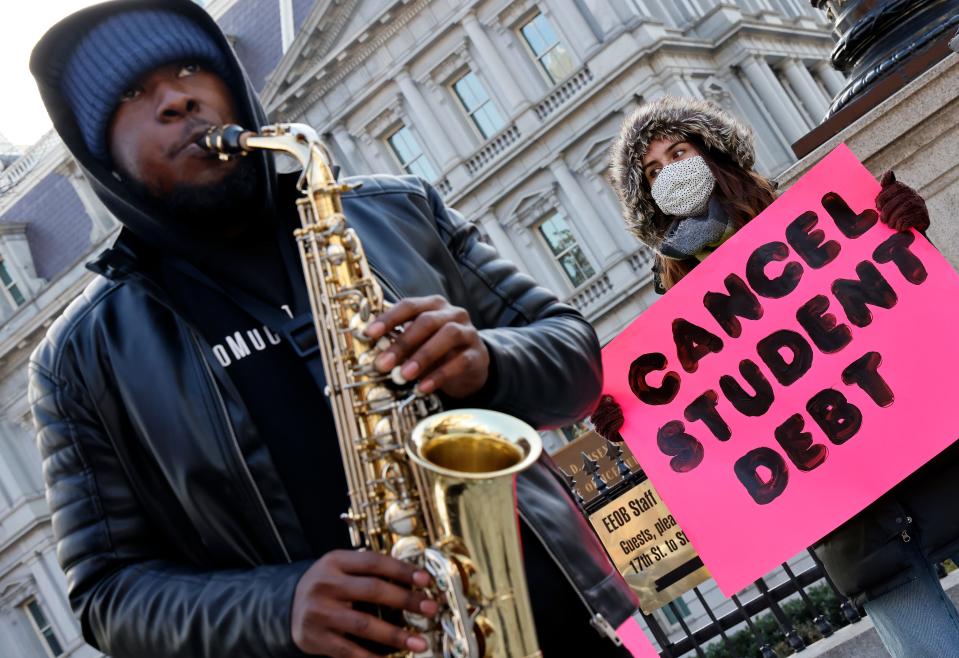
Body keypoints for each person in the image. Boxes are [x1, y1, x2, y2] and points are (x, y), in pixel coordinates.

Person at [27, 2, 638, 657]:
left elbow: (575, 360)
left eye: (192, 68)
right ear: (100, 155)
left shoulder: (401, 210)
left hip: (561, 636)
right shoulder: (78, 361)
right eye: (131, 94)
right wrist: (277, 607)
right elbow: (106, 595)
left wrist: (488, 360)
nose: (177, 98)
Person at [594, 95, 959, 658]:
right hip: (854, 528)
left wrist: (906, 226)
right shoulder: (672, 311)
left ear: (713, 155)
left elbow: (909, 315)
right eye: (653, 170)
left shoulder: (817, 219)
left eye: (679, 151)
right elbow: (701, 431)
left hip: (937, 467)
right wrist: (630, 417)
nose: (670, 171)